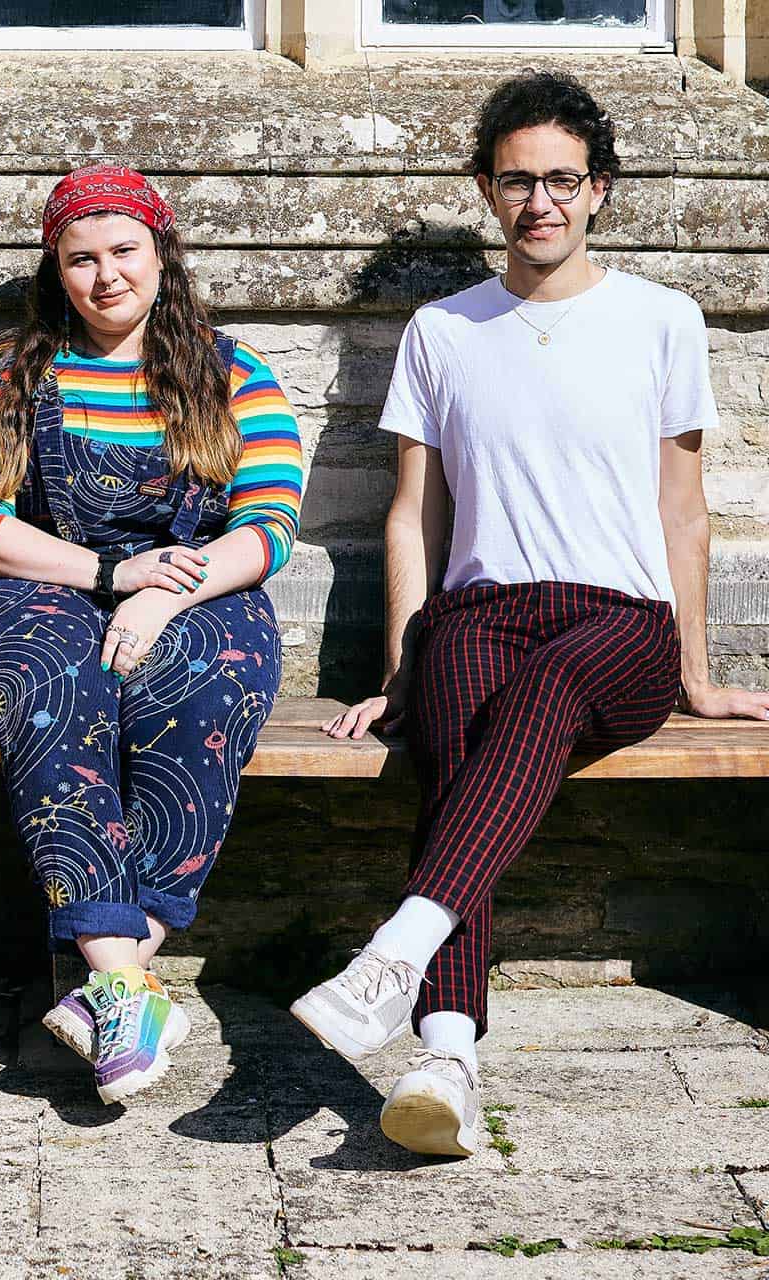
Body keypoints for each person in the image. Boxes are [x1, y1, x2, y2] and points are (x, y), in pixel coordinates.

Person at [293, 73, 769, 1157]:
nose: (539, 201)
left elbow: (681, 510)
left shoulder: (659, 320)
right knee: (452, 733)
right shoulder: (442, 332)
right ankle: (446, 1054)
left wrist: (694, 671)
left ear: (597, 189)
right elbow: (412, 516)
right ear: (485, 189)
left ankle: (395, 953)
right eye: (517, 180)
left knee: (545, 690)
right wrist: (400, 670)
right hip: (482, 607)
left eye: (561, 179)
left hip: (619, 623)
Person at [0, 165, 302, 1104]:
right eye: (82, 258)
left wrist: (164, 595)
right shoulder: (10, 374)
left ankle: (110, 978)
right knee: (52, 682)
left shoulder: (232, 372)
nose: (106, 276)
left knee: (204, 678)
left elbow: (267, 525)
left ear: (162, 254)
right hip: (43, 582)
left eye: (124, 252)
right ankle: (125, 978)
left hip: (198, 585)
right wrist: (105, 574)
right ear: (55, 270)